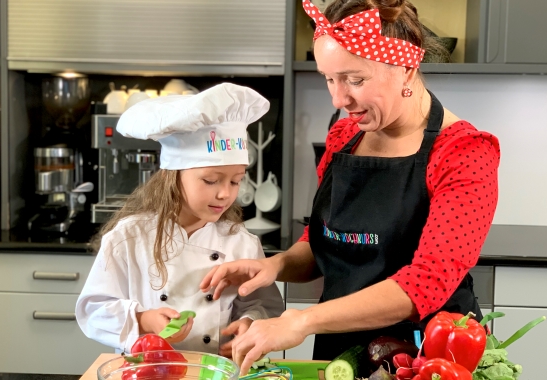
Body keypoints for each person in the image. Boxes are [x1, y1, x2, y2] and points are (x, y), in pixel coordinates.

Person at [200, 0, 501, 374]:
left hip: (428, 354)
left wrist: (302, 321)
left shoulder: (464, 152)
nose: (339, 99)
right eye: (329, 78)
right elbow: (324, 238)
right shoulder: (345, 136)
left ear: (407, 68)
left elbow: (427, 283)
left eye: (355, 80)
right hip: (339, 345)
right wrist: (274, 266)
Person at [75, 83, 285, 357]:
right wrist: (143, 319)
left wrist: (248, 323)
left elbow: (263, 306)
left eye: (236, 181)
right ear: (170, 177)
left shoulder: (241, 243)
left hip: (215, 372)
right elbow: (94, 309)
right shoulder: (129, 237)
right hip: (148, 370)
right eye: (211, 180)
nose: (225, 193)